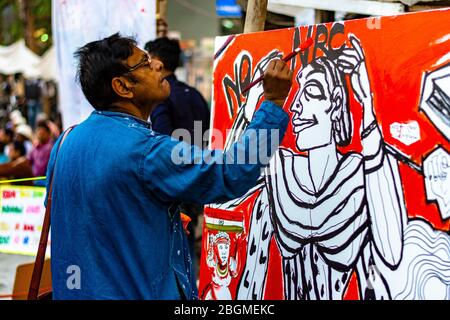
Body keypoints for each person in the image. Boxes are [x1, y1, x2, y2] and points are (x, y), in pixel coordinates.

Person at [46, 33, 293, 300]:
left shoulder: (65, 142)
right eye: (145, 63)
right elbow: (232, 172)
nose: (158, 65)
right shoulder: (146, 150)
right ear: (122, 86)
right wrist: (273, 104)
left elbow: (97, 216)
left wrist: (154, 217)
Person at [145, 37, 211, 282]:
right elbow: (207, 136)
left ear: (158, 63)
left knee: (174, 243)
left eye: (147, 60)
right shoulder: (195, 95)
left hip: (174, 183)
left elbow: (164, 142)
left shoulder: (161, 96)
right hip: (198, 178)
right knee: (188, 237)